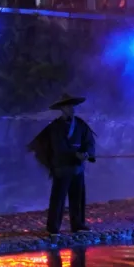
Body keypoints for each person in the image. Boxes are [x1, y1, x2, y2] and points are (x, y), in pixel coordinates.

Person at [27, 93, 97, 236]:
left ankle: (78, 224)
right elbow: (58, 147)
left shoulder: (81, 124)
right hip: (62, 168)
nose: (71, 109)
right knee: (58, 199)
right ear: (62, 108)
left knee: (77, 197)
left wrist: (87, 153)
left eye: (72, 106)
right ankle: (53, 228)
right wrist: (75, 154)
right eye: (68, 106)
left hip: (77, 168)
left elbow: (89, 141)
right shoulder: (55, 127)